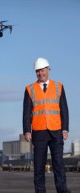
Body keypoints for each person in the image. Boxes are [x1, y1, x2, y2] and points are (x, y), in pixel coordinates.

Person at [23, 57, 71, 193]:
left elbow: (64, 109)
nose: (40, 73)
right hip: (39, 132)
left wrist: (65, 128)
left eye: (42, 70)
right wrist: (27, 130)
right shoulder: (29, 89)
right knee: (38, 168)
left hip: (56, 131)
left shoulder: (59, 87)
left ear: (48, 70)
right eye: (38, 71)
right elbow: (26, 112)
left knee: (59, 166)